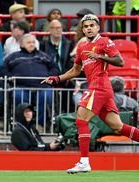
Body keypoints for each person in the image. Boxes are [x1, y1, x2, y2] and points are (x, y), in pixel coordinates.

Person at [41, 14, 139, 173]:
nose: (88, 28)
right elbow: (75, 70)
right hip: (97, 87)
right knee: (117, 127)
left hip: (100, 85)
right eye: (85, 26)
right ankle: (84, 161)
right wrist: (58, 78)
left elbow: (120, 61)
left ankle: (84, 161)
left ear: (98, 27)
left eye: (91, 25)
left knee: (81, 118)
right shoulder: (81, 47)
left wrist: (100, 56)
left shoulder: (105, 41)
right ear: (82, 29)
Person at [0, 33, 60, 130]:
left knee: (45, 97)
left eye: (33, 42)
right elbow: (3, 70)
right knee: (19, 96)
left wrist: (49, 77)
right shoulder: (13, 57)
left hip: (42, 86)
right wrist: (11, 78)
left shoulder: (43, 56)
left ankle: (40, 124)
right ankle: (24, 124)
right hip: (20, 86)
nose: (31, 44)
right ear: (22, 45)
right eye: (28, 42)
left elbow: (55, 68)